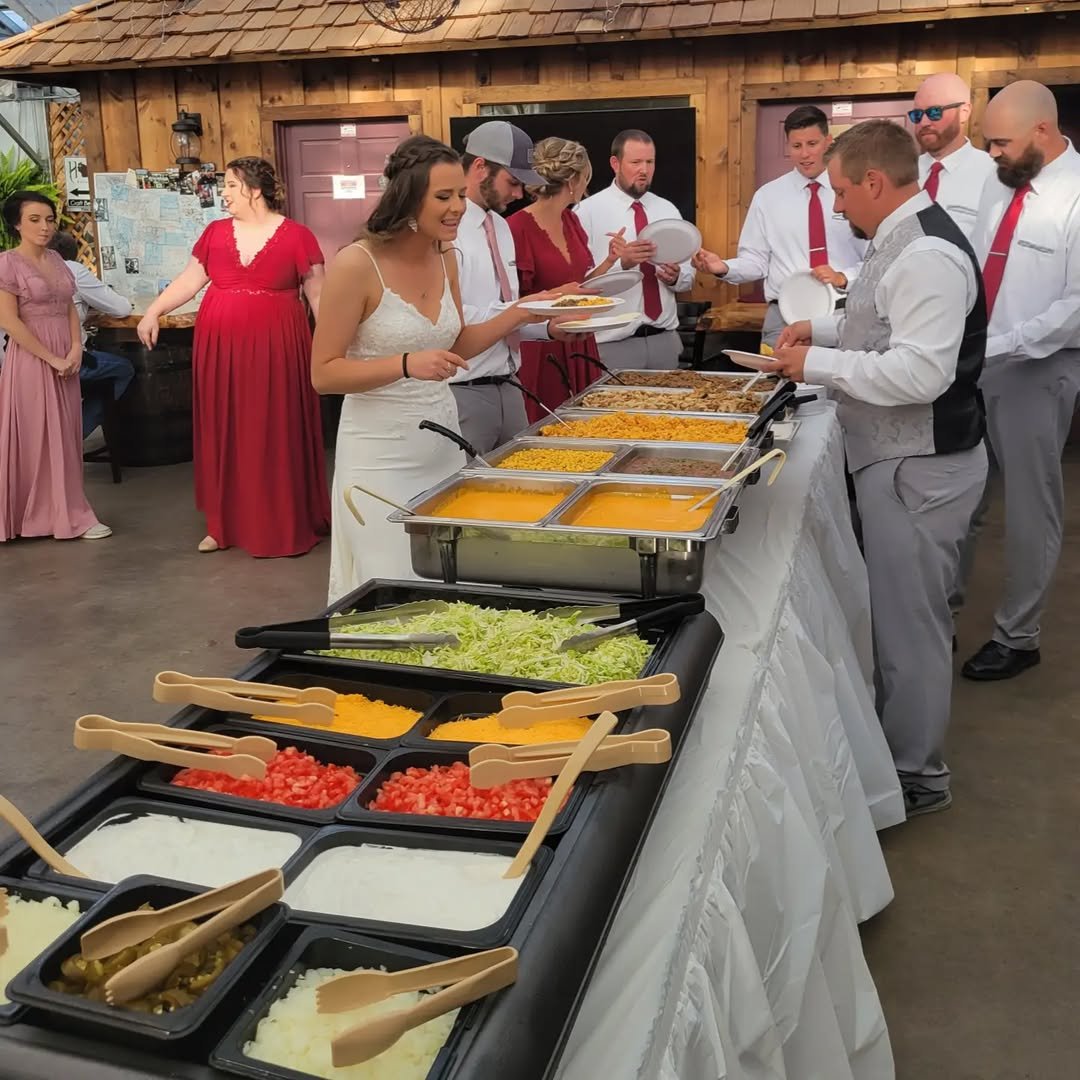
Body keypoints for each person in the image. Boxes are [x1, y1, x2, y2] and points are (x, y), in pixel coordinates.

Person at [769, 120, 988, 818]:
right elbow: (887, 325)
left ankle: (917, 775)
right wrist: (825, 330)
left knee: (911, 628)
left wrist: (819, 363)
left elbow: (922, 371)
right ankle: (898, 756)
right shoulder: (904, 236)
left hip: (920, 464)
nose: (834, 206)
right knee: (898, 622)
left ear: (872, 182)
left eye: (839, 190)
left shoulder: (925, 251)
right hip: (899, 459)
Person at [311, 135, 557, 601]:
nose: (458, 208)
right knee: (390, 581)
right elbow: (324, 374)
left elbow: (456, 341)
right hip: (378, 454)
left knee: (443, 581)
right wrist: (405, 364)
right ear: (406, 197)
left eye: (460, 194)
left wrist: (524, 311)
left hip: (441, 444)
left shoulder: (445, 255)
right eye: (443, 197)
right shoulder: (355, 264)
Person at [137, 156, 330, 558]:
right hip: (220, 348)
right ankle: (222, 523)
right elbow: (191, 280)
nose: (222, 193)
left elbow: (318, 296)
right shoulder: (215, 233)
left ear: (254, 189)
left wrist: (333, 344)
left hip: (279, 347)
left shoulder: (297, 236)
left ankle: (282, 520)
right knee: (225, 426)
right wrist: (154, 311)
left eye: (229, 185)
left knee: (274, 426)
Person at [958, 81, 1080, 681]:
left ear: (1042, 131)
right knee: (961, 491)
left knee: (1031, 506)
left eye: (1001, 142)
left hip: (1038, 368)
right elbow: (981, 263)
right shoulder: (997, 180)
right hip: (977, 362)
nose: (993, 153)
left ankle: (1019, 635)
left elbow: (1074, 308)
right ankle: (943, 609)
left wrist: (995, 346)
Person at [691, 105, 866, 348]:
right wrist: (722, 267)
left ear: (828, 141)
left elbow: (873, 259)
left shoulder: (852, 192)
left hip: (842, 314)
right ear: (787, 147)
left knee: (841, 385)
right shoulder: (768, 196)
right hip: (784, 318)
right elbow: (756, 261)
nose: (805, 154)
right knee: (779, 386)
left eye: (812, 144)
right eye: (796, 146)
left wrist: (843, 277)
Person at [450, 121, 577, 453]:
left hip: (509, 384)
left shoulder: (502, 228)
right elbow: (454, 319)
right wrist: (533, 306)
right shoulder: (450, 230)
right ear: (480, 167)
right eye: (513, 182)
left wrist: (547, 328)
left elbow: (504, 312)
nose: (519, 194)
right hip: (463, 389)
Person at [0, 192, 111, 541]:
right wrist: (51, 357)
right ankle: (30, 515)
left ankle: (68, 510)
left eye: (49, 219)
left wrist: (77, 348)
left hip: (67, 354)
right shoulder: (7, 263)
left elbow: (68, 309)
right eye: (34, 219)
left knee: (64, 435)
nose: (45, 227)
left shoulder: (58, 261)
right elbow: (9, 321)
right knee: (35, 435)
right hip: (32, 358)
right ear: (17, 224)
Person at [507, 136, 619, 419]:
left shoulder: (571, 220)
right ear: (572, 182)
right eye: (585, 179)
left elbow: (579, 286)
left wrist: (610, 261)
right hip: (540, 347)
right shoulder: (516, 228)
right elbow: (508, 301)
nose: (586, 187)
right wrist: (559, 298)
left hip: (580, 338)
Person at [575, 129, 694, 370]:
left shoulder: (667, 210)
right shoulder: (586, 213)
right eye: (636, 162)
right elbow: (577, 286)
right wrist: (621, 264)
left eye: (650, 162)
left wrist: (676, 278)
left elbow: (688, 279)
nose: (644, 170)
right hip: (612, 344)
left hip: (664, 339)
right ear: (615, 163)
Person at [49, 231, 134, 438]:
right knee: (124, 369)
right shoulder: (72, 270)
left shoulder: (19, 270)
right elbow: (121, 308)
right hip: (65, 363)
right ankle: (72, 437)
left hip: (18, 366)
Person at [911, 73, 996, 240]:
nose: (924, 123)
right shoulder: (903, 173)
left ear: (964, 112)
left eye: (935, 112)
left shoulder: (993, 174)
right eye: (917, 115)